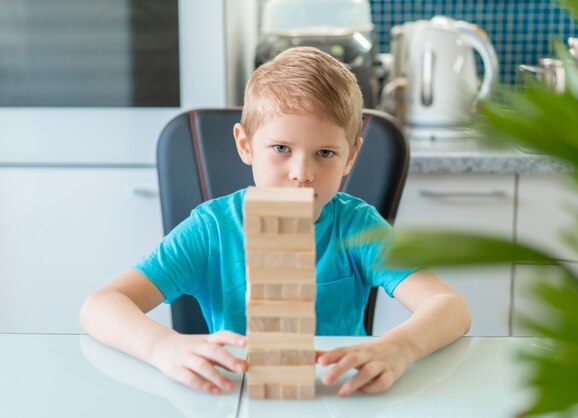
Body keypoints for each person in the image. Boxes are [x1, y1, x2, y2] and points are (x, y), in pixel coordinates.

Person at [80, 46, 471, 397]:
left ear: (351, 156)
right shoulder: (211, 229)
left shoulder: (357, 228)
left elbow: (449, 306)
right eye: (281, 148)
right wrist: (163, 347)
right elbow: (101, 305)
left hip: (336, 396)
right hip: (233, 394)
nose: (302, 172)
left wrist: (396, 348)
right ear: (246, 144)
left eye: (325, 153)